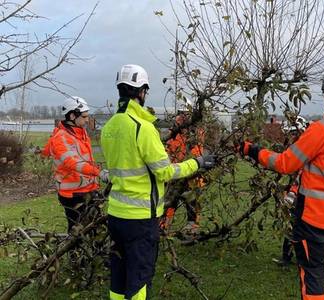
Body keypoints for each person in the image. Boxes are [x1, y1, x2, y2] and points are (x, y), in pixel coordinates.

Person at [239, 66, 324, 300]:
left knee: (312, 277)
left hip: (314, 221)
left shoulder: (321, 130)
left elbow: (285, 164)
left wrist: (254, 151)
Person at [100, 64, 216, 300]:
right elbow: (164, 172)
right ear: (141, 91)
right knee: (139, 277)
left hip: (116, 214)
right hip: (141, 218)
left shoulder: (109, 127)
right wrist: (197, 163)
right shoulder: (143, 128)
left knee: (119, 275)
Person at [41, 96, 107, 233]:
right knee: (76, 231)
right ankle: (73, 253)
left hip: (88, 189)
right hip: (72, 194)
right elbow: (74, 163)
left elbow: (46, 152)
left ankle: (93, 249)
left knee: (93, 225)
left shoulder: (80, 133)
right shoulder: (61, 137)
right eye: (84, 117)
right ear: (72, 115)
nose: (87, 120)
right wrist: (99, 172)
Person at [163, 104, 206, 236]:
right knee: (169, 203)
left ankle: (192, 230)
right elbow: (166, 152)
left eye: (185, 115)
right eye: (181, 115)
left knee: (192, 205)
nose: (182, 118)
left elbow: (198, 151)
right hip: (175, 175)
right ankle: (163, 227)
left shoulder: (196, 134)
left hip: (192, 176)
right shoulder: (173, 136)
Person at [273, 117, 307, 267]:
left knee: (296, 225)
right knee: (293, 225)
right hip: (301, 192)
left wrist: (292, 193)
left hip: (304, 194)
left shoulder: (305, 148)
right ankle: (288, 257)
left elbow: (302, 173)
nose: (290, 137)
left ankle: (293, 258)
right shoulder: (296, 146)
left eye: (292, 133)